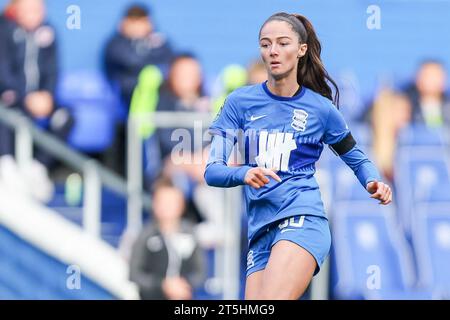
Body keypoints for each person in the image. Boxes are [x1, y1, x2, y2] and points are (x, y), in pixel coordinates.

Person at [204, 12, 392, 300]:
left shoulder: (320, 108)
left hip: (302, 218)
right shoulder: (239, 102)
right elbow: (212, 171)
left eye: (282, 43)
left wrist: (373, 181)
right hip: (260, 230)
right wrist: (243, 172)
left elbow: (357, 157)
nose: (273, 51)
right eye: (266, 44)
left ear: (301, 49)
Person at [0, 0, 72, 165]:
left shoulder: (48, 32)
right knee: (4, 114)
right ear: (15, 8)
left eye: (38, 9)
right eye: (29, 9)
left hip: (40, 100)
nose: (35, 14)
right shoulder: (3, 30)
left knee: (64, 117)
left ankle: (37, 167)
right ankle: (6, 167)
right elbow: (3, 73)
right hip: (12, 98)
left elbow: (53, 70)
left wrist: (46, 95)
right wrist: (25, 98)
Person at [129, 177, 206, 300]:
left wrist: (183, 285)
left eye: (172, 202)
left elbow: (200, 272)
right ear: (155, 204)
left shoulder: (190, 234)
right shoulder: (145, 235)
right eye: (163, 202)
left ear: (181, 205)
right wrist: (162, 285)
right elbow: (134, 274)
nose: (167, 207)